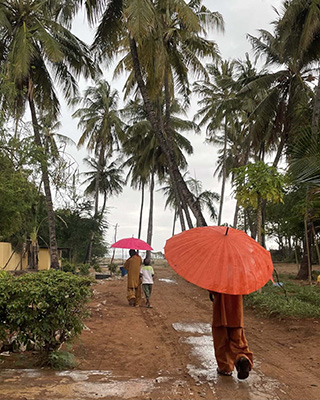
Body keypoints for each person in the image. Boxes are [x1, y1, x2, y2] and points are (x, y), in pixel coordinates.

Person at [210, 291, 253, 380]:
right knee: (238, 341)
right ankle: (242, 357)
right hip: (236, 313)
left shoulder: (219, 277)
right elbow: (245, 291)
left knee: (221, 341)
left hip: (221, 313)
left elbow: (212, 288)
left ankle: (225, 368)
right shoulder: (239, 277)